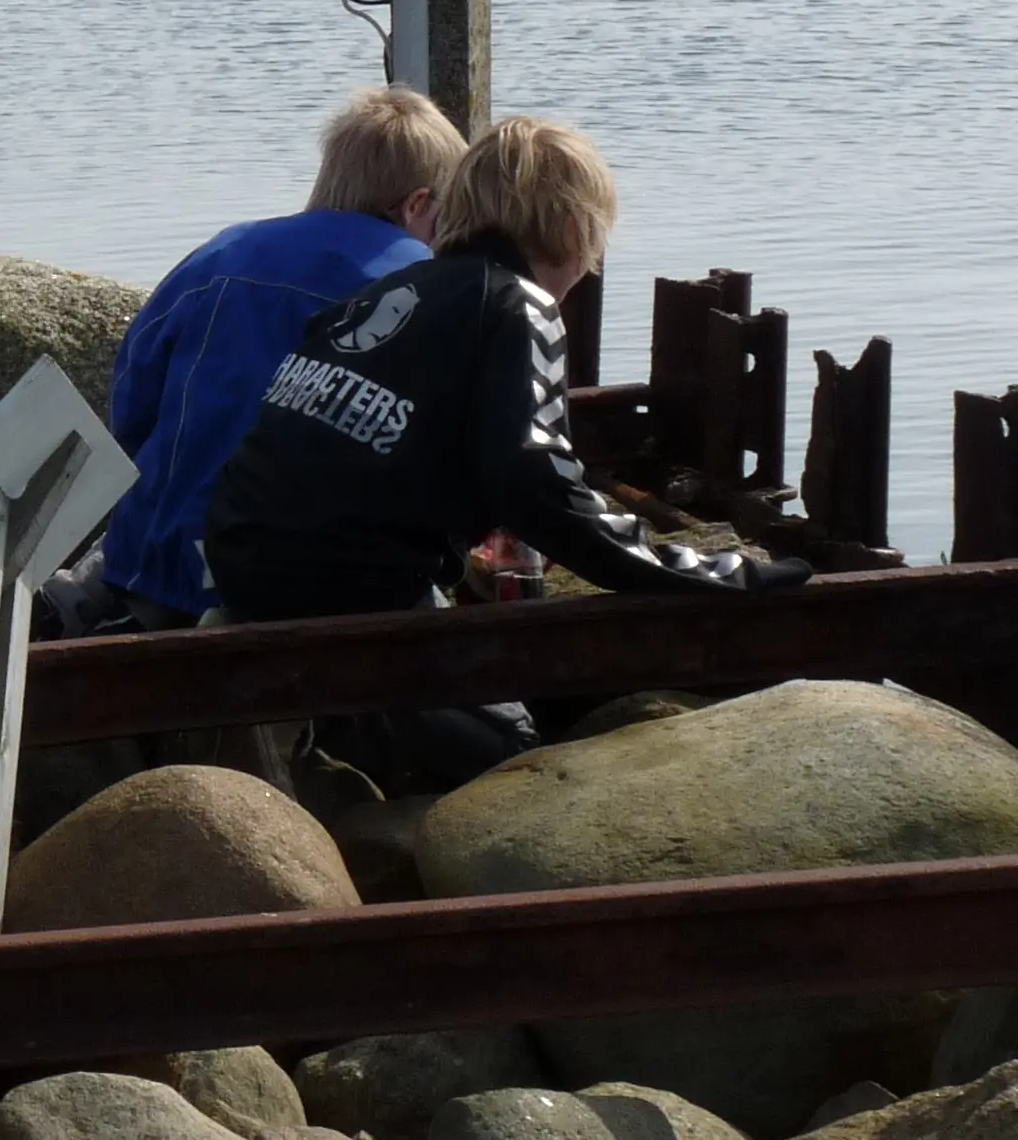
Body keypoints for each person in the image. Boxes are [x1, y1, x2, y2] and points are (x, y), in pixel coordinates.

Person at [203, 115, 805, 791]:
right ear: (578, 233)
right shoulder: (518, 306)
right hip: (346, 598)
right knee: (509, 749)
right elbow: (533, 481)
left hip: (243, 564)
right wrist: (707, 572)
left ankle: (325, 751)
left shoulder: (379, 298)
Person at [67, 85, 469, 635]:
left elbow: (133, 409)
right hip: (314, 589)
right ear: (419, 204)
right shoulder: (425, 287)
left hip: (160, 565)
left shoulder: (222, 254)